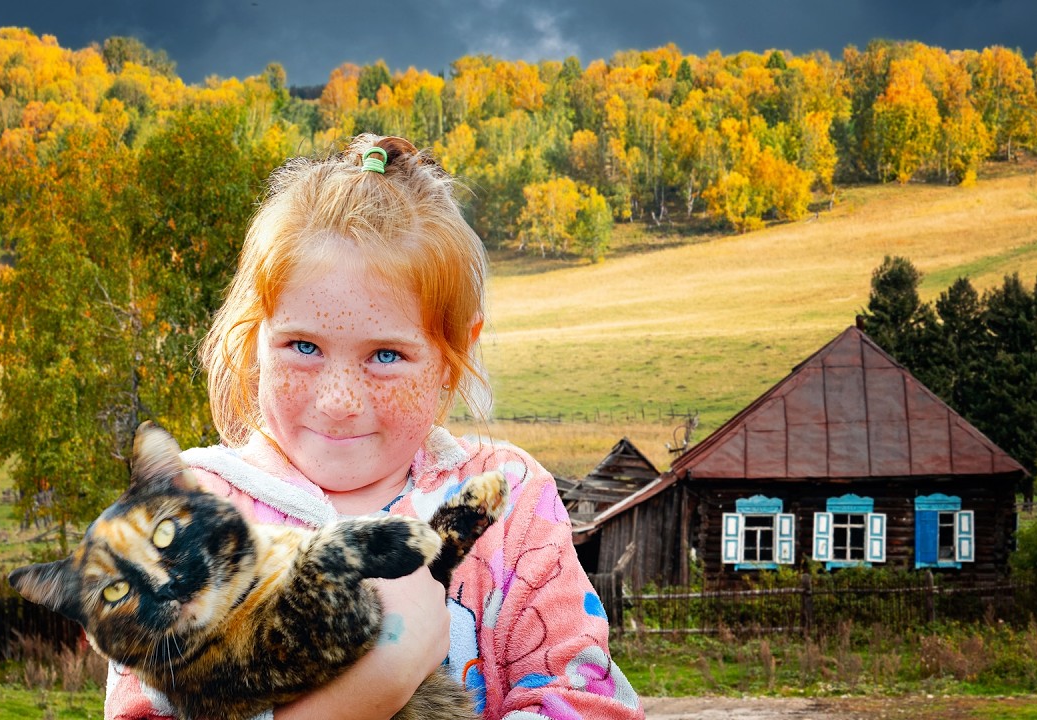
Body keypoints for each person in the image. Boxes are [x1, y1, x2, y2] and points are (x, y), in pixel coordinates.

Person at [104, 134, 643, 720]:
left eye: (385, 355)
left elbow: (586, 702)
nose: (338, 401)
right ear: (254, 337)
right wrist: (372, 686)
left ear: (452, 353)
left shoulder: (508, 502)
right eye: (303, 346)